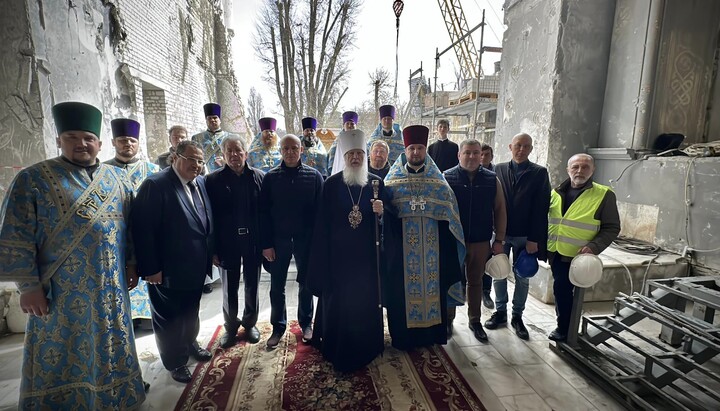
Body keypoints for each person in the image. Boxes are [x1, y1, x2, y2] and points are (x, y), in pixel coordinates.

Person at [0, 101, 146, 409]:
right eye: (72, 137)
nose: (81, 143)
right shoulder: (33, 180)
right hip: (62, 292)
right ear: (59, 140)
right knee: (64, 350)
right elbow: (16, 236)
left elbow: (131, 227)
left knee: (111, 340)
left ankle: (112, 395)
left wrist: (132, 262)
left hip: (111, 288)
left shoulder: (116, 179)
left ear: (99, 143)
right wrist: (28, 287)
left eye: (88, 138)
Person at [130, 140, 215, 383]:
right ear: (174, 157)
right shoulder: (155, 185)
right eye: (191, 159)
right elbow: (144, 231)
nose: (197, 165)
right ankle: (175, 361)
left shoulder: (198, 183)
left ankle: (190, 344)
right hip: (167, 269)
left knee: (190, 310)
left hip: (195, 266)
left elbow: (204, 222)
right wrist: (151, 268)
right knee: (169, 317)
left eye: (200, 161)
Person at [307, 129, 386, 372]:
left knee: (364, 302)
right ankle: (334, 346)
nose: (355, 158)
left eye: (360, 154)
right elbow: (320, 223)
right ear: (344, 155)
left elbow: (387, 227)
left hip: (366, 260)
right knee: (339, 304)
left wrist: (382, 214)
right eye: (351, 154)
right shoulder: (330, 184)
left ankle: (367, 346)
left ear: (365, 156)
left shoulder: (376, 183)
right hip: (338, 259)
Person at [383, 125, 465, 350]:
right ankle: (402, 337)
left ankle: (431, 336)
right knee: (401, 292)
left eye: (420, 148)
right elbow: (385, 216)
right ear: (405, 150)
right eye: (412, 148)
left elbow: (450, 216)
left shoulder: (439, 183)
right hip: (402, 251)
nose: (416, 153)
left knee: (433, 290)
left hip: (432, 252)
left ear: (425, 149)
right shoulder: (392, 182)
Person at [259, 134, 323, 349]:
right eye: (285, 148)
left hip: (306, 241)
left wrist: (317, 243)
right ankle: (278, 327)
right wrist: (266, 244)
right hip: (278, 241)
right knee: (277, 286)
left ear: (301, 150)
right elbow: (263, 214)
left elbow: (320, 213)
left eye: (294, 148)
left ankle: (306, 323)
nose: (290, 152)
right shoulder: (270, 178)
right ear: (280, 150)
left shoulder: (314, 177)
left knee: (306, 284)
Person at [547, 154, 620, 341]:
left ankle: (566, 330)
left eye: (585, 167)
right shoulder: (556, 192)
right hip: (556, 252)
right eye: (576, 167)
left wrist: (594, 247)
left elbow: (611, 227)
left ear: (593, 170)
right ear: (568, 169)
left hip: (580, 255)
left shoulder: (604, 194)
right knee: (561, 290)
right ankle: (566, 328)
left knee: (566, 293)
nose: (580, 171)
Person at [485, 133, 551, 340]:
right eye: (518, 145)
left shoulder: (539, 173)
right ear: (510, 146)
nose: (521, 150)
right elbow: (493, 203)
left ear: (531, 149)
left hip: (525, 235)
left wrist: (535, 238)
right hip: (502, 234)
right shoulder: (499, 169)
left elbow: (541, 208)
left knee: (523, 276)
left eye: (526, 146)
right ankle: (500, 312)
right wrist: (495, 234)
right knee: (499, 273)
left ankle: (517, 316)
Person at [444, 139, 507, 342]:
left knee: (475, 281)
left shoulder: (491, 179)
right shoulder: (447, 177)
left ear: (482, 155)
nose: (471, 157)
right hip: (453, 240)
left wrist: (499, 239)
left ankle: (475, 320)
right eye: (467, 153)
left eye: (476, 153)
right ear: (459, 155)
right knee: (451, 280)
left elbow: (500, 210)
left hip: (480, 240)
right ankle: (448, 320)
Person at [205, 135, 265, 348]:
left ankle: (250, 324)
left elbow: (265, 214)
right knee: (229, 287)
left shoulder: (259, 177)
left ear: (245, 153)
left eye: (238, 150)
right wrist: (212, 250)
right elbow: (209, 218)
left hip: (253, 240)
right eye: (229, 151)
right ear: (223, 156)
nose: (234, 155)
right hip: (226, 242)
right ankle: (230, 327)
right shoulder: (212, 181)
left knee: (252, 285)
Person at [104, 118, 161, 325]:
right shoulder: (103, 171)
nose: (128, 144)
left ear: (138, 143)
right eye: (122, 140)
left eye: (132, 141)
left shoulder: (153, 171)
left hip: (146, 235)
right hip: (116, 237)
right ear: (113, 142)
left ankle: (148, 318)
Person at [192, 103, 237, 172]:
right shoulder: (196, 138)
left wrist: (225, 162)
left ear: (220, 120)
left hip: (226, 173)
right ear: (206, 121)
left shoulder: (231, 137)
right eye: (209, 118)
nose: (212, 120)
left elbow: (237, 157)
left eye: (215, 117)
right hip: (204, 175)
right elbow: (193, 157)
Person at [480, 143, 496, 309]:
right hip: (472, 227)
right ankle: (463, 287)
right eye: (481, 155)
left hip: (490, 227)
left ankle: (486, 291)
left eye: (486, 155)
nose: (483, 158)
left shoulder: (496, 175)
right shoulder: (473, 173)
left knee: (488, 260)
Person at [328, 110, 358, 175]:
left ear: (356, 126)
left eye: (352, 124)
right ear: (343, 125)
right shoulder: (338, 141)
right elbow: (332, 160)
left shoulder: (360, 140)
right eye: (347, 123)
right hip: (340, 173)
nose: (350, 126)